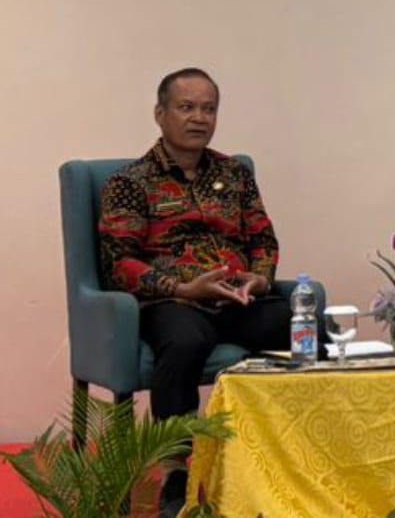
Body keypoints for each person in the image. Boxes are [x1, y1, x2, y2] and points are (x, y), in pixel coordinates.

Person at [98, 68, 290, 517]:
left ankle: (285, 453)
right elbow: (119, 263)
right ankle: (176, 471)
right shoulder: (130, 182)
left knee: (300, 326)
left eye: (209, 109)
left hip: (238, 298)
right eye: (186, 107)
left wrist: (260, 279)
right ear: (160, 113)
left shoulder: (234, 173)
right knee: (186, 341)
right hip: (174, 301)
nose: (199, 118)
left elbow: (263, 240)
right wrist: (183, 287)